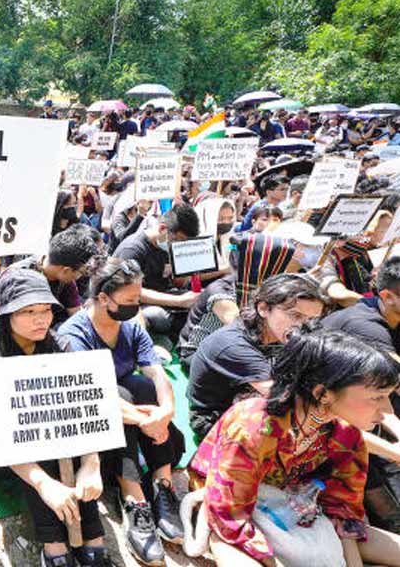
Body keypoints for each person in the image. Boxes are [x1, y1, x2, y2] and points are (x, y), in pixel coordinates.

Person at [188, 329, 400, 567]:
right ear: (322, 393)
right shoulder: (254, 425)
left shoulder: (346, 435)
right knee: (226, 540)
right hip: (231, 506)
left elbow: (341, 511)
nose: (385, 412)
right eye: (376, 397)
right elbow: (229, 516)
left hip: (294, 505)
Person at [0, 270, 110, 567]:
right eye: (29, 311)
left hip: (60, 437)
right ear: (6, 315)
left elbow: (83, 410)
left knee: (71, 443)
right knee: (38, 447)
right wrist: (45, 485)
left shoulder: (61, 346)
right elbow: (5, 436)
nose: (41, 319)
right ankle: (54, 546)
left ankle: (93, 541)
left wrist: (90, 464)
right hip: (5, 453)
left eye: (45, 309)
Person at [59, 260, 185, 566]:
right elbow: (93, 394)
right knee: (120, 393)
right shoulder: (74, 334)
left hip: (132, 409)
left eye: (137, 299)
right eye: (129, 301)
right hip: (89, 418)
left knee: (142, 385)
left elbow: (158, 374)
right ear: (103, 298)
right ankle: (133, 497)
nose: (135, 306)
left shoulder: (131, 328)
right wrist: (146, 420)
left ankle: (162, 483)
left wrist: (165, 412)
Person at [188, 273, 326, 439]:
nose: (302, 325)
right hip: (217, 419)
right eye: (295, 315)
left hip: (255, 399)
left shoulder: (280, 334)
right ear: (263, 309)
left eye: (311, 319)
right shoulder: (234, 345)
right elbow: (283, 400)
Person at [323, 256, 400, 532]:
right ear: (387, 296)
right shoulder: (365, 326)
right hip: (327, 415)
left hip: (367, 400)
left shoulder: (391, 312)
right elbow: (392, 386)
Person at [111, 204, 202, 339]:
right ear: (162, 229)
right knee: (158, 316)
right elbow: (130, 291)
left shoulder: (166, 247)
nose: (179, 245)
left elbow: (178, 283)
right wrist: (179, 301)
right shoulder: (132, 250)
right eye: (178, 240)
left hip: (163, 294)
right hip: (136, 304)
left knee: (204, 300)